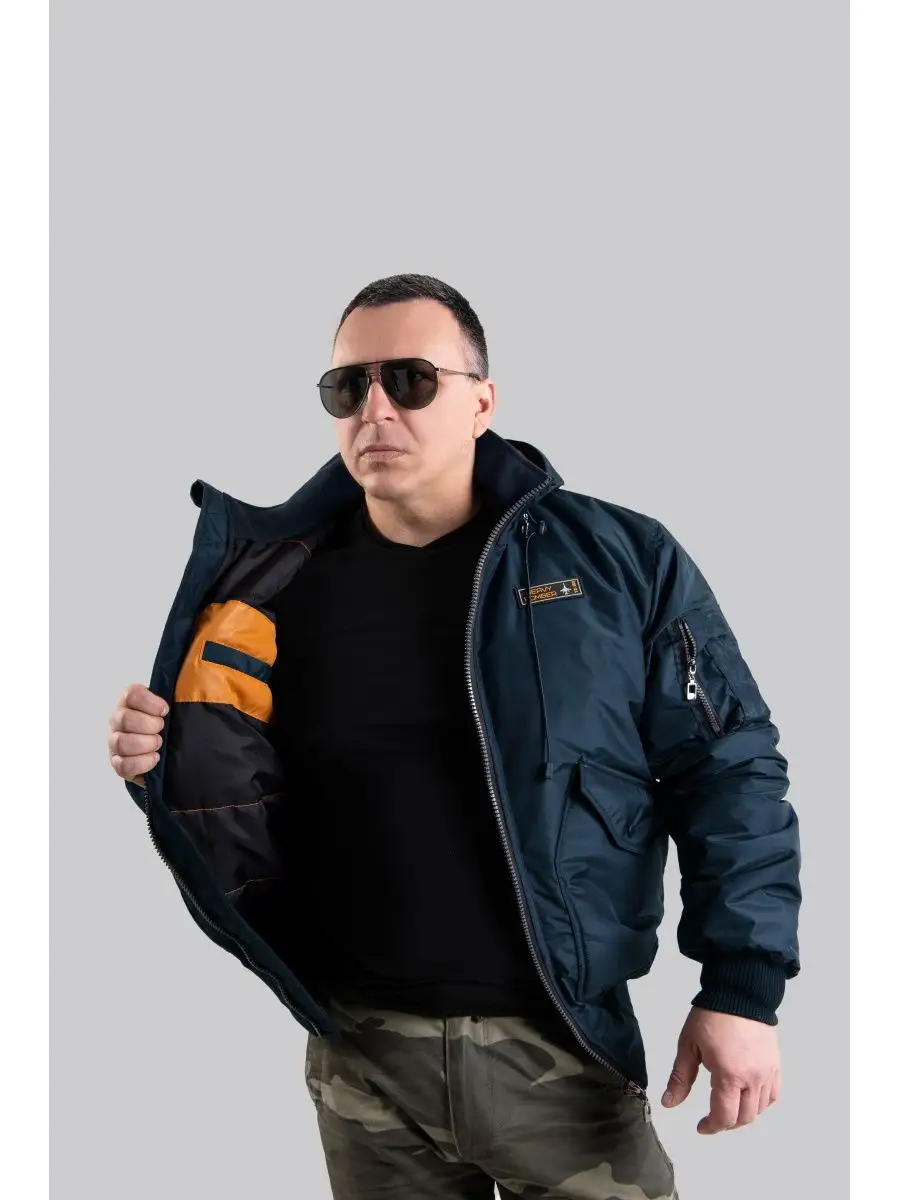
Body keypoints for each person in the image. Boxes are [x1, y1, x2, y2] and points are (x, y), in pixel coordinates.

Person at [107, 273, 801, 1199]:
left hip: (559, 1047)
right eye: (347, 386)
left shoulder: (618, 561)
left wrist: (741, 987)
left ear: (483, 402)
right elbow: (239, 791)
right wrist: (158, 764)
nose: (376, 408)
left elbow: (728, 767)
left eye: (411, 379)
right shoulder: (269, 587)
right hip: (361, 1060)